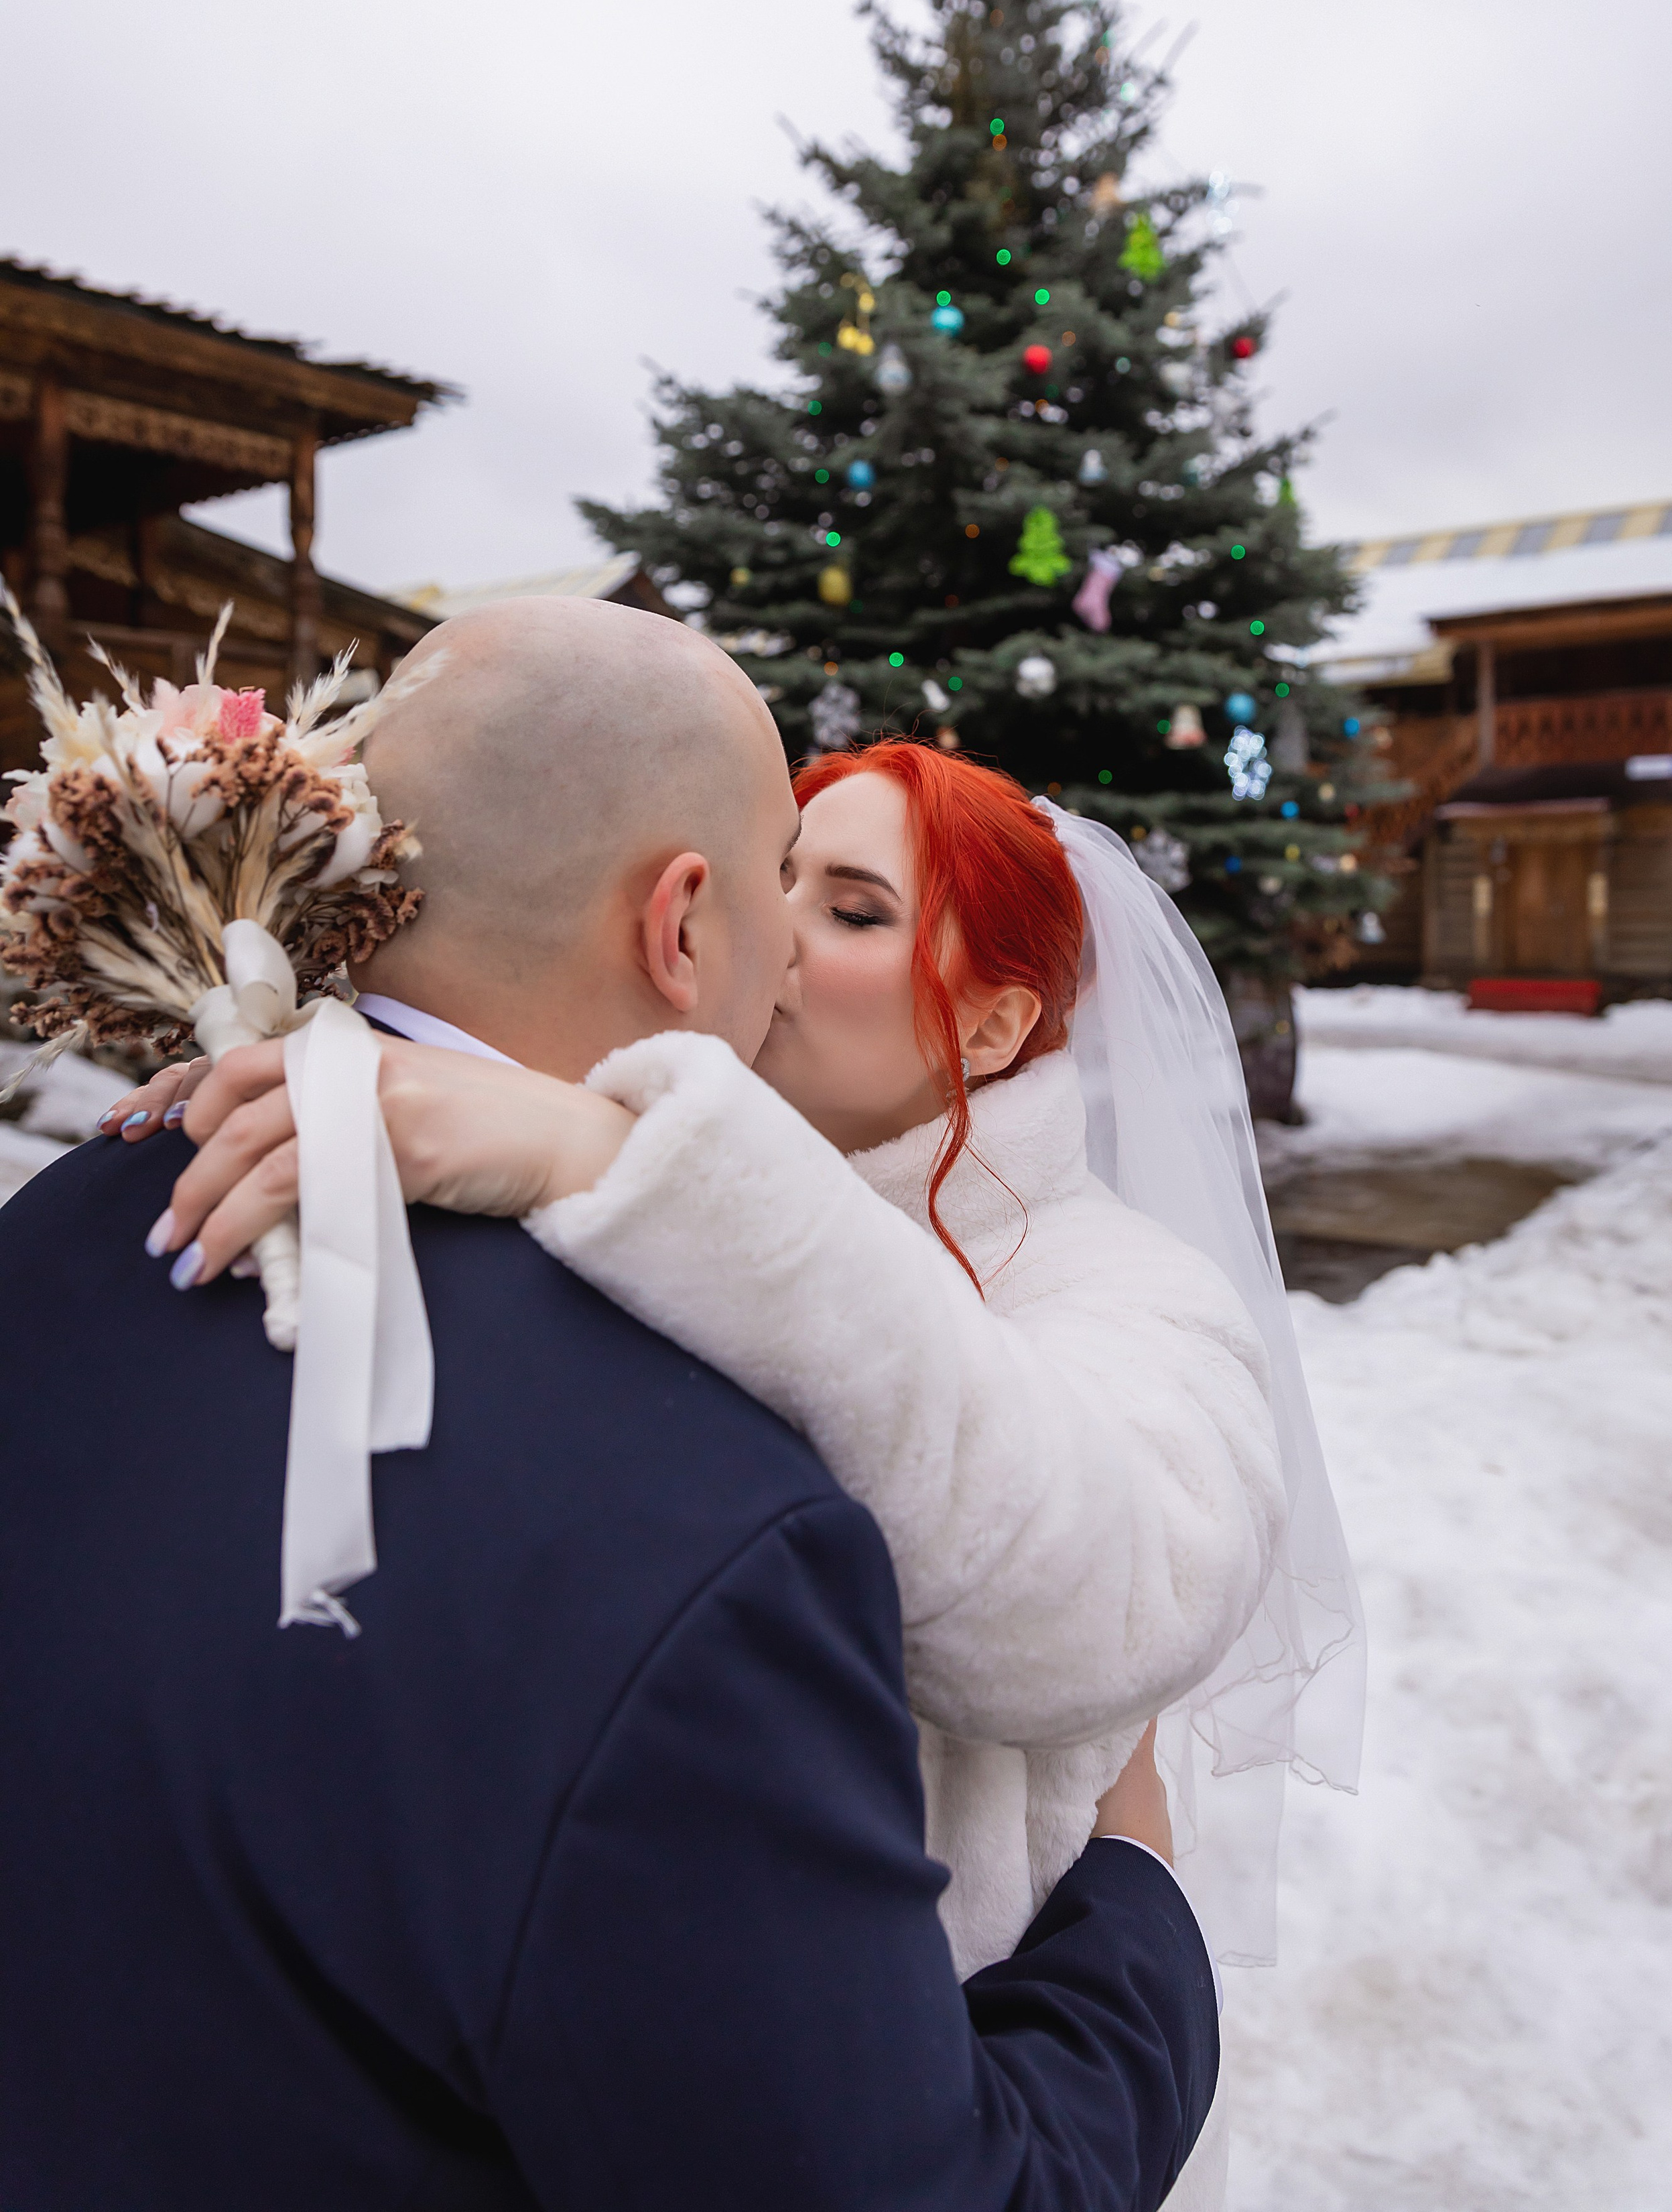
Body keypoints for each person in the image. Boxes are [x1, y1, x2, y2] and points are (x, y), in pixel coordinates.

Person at [0, 597, 1228, 2212]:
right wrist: (1138, 1913)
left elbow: (1095, 1563)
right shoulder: (714, 1526)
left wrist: (614, 1151)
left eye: (851, 903)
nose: (792, 948)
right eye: (790, 887)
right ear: (682, 926)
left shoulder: (63, 1230)